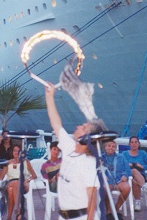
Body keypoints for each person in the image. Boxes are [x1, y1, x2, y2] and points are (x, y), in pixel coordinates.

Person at [45, 83, 106, 220]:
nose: (78, 126)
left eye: (83, 127)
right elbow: (56, 124)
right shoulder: (69, 147)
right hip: (64, 216)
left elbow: (92, 198)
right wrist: (49, 97)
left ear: (87, 138)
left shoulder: (88, 162)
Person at [0, 145, 37, 220]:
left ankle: (9, 217)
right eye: (14, 150)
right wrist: (4, 166)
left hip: (23, 186)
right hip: (10, 183)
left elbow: (34, 176)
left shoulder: (26, 162)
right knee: (14, 184)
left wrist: (26, 181)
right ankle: (19, 213)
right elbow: (1, 178)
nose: (16, 152)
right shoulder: (8, 163)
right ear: (12, 152)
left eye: (18, 151)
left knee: (11, 189)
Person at [122, 136, 147, 211]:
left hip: (140, 176)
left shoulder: (142, 153)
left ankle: (137, 202)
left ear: (139, 144)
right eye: (132, 142)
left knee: (135, 180)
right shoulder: (124, 153)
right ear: (129, 144)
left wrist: (142, 166)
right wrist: (127, 165)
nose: (134, 144)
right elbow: (121, 164)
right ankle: (145, 188)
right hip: (127, 176)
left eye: (136, 142)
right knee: (133, 171)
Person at [102, 140, 131, 219]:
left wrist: (125, 175)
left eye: (113, 146)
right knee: (105, 188)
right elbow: (97, 169)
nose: (111, 148)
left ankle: (116, 207)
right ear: (105, 147)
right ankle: (108, 210)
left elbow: (127, 169)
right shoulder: (101, 158)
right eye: (109, 146)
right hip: (108, 181)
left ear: (115, 148)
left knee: (127, 188)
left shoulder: (121, 157)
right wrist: (102, 175)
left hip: (119, 180)